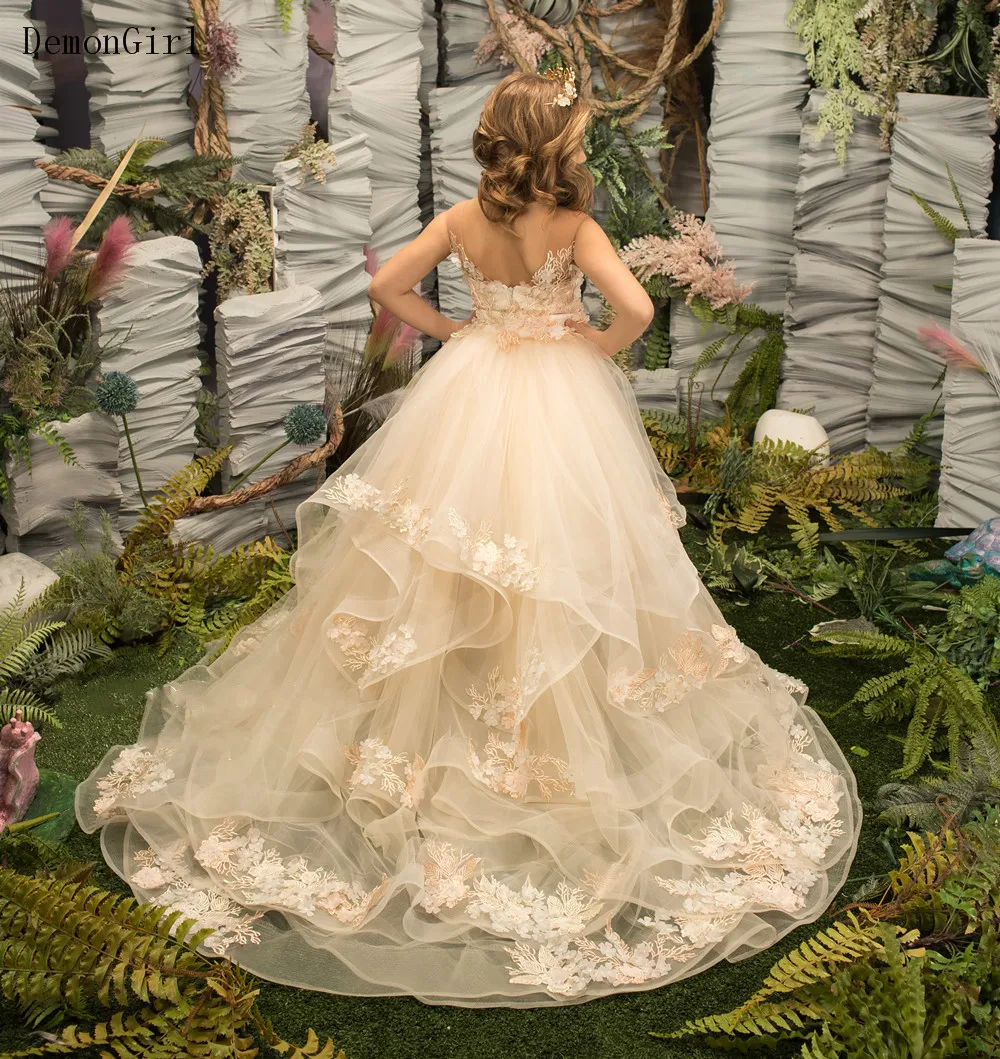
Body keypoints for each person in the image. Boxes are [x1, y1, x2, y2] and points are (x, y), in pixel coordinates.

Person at [75, 69, 862, 1008]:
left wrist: (457, 326)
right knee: (556, 559)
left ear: (493, 143)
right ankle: (536, 729)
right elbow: (640, 314)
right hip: (554, 398)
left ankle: (428, 721)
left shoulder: (460, 219)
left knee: (440, 559)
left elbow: (383, 286)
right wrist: (579, 351)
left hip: (472, 386)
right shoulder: (574, 230)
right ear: (561, 149)